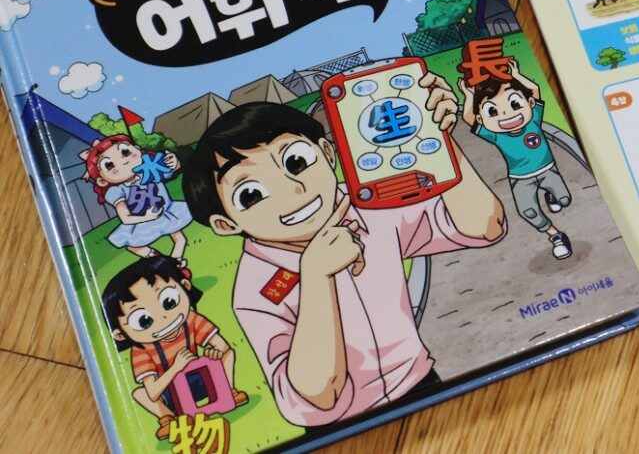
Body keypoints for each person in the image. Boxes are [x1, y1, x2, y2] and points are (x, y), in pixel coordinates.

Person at [183, 88, 505, 428]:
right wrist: (316, 274)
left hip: (422, 385)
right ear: (227, 224)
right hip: (345, 427)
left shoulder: (365, 205)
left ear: (327, 154)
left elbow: (483, 226)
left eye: (296, 162)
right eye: (251, 194)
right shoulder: (258, 290)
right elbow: (317, 395)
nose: (293, 190)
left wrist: (440, 142)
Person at [101, 256, 247, 440]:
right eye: (144, 320)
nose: (163, 318)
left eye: (169, 302)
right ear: (120, 334)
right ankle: (168, 418)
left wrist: (215, 353)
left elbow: (224, 348)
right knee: (139, 393)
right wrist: (176, 367)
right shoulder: (141, 350)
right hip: (170, 394)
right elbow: (153, 392)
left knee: (228, 354)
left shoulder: (191, 320)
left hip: (204, 379)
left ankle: (229, 392)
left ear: (185, 286)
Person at [460, 59, 573, 260]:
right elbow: (468, 117)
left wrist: (516, 75)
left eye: (514, 104)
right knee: (528, 211)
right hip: (521, 179)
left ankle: (551, 195)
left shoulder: (533, 119)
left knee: (565, 199)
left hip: (547, 169)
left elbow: (534, 90)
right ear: (481, 119)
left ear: (529, 104)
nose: (507, 114)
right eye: (493, 111)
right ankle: (555, 235)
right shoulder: (495, 135)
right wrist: (468, 95)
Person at [82, 135, 191, 263]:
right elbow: (125, 217)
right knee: (132, 246)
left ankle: (176, 263)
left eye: (125, 152)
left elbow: (170, 169)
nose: (123, 161)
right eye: (109, 165)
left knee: (179, 239)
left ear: (137, 149)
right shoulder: (117, 191)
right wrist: (148, 216)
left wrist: (174, 163)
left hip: (166, 212)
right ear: (102, 181)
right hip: (142, 221)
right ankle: (155, 257)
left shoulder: (150, 170)